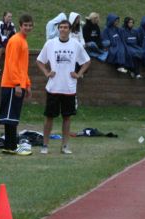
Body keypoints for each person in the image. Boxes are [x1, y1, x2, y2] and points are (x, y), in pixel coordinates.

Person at [36, 18, 91, 155]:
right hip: (53, 87)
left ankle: (65, 146)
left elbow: (87, 61)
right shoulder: (50, 44)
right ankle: (45, 145)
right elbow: (39, 61)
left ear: (70, 29)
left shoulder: (76, 44)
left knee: (67, 117)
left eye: (65, 27)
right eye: (61, 27)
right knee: (49, 116)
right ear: (58, 29)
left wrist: (79, 74)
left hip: (69, 88)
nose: (63, 30)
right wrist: (47, 73)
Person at [0, 13, 33, 155]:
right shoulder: (15, 40)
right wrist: (18, 84)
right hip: (12, 84)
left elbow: (22, 66)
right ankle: (11, 146)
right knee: (10, 117)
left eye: (30, 25)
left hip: (19, 84)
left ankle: (10, 145)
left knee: (12, 116)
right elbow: (11, 64)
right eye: (25, 25)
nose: (28, 28)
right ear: (20, 25)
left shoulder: (24, 41)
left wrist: (27, 84)